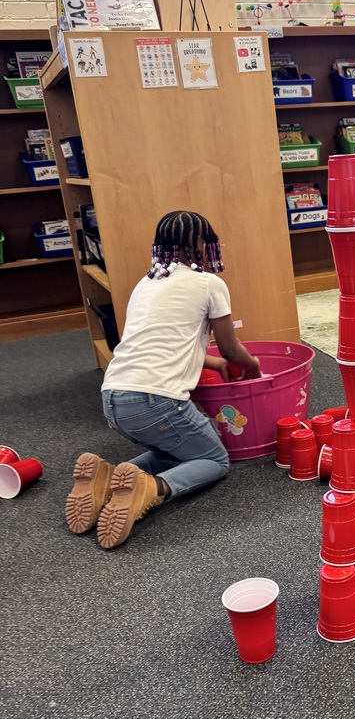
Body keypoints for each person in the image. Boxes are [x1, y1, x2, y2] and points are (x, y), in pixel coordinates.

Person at [66, 210, 262, 549]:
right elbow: (233, 350)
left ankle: (109, 479)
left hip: (113, 397)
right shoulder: (209, 284)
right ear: (204, 246)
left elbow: (163, 342)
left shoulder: (147, 283)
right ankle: (150, 488)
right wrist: (254, 366)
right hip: (156, 403)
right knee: (213, 459)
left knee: (176, 449)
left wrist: (211, 363)